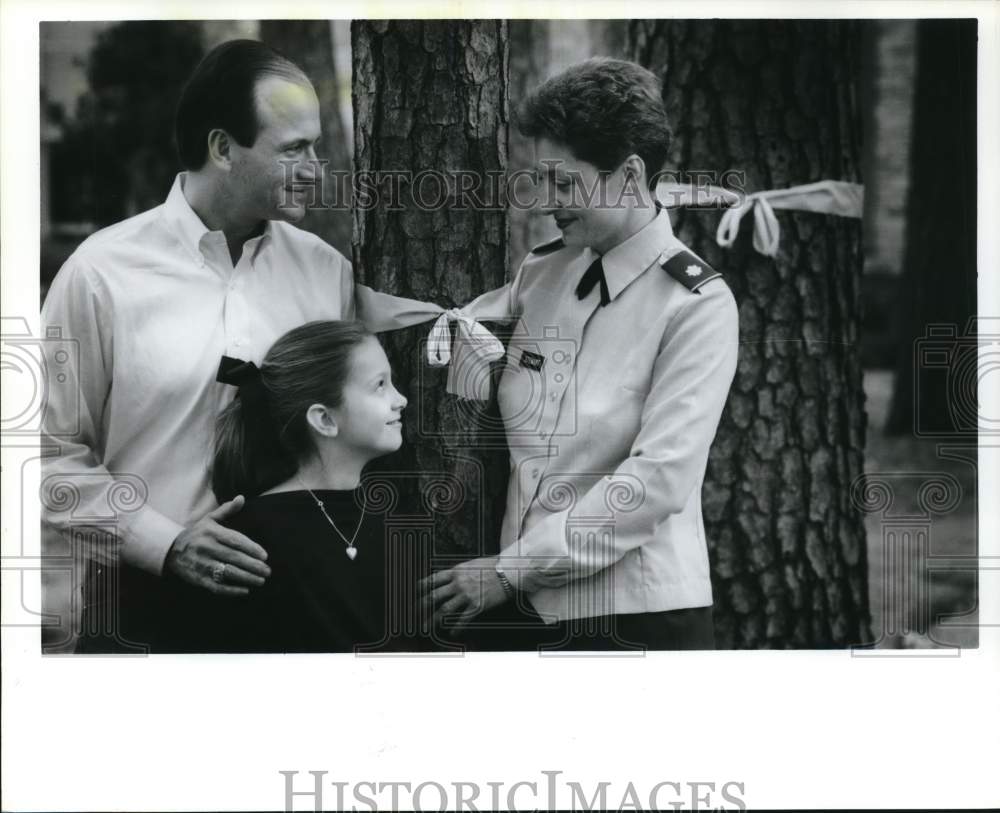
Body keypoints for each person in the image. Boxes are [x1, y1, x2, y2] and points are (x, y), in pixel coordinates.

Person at [40, 40, 441, 653]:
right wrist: (165, 542)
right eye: (293, 149)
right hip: (143, 611)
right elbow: (44, 458)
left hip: (301, 609)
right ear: (223, 148)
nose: (315, 168)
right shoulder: (100, 274)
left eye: (316, 146)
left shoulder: (324, 272)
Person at [418, 58, 739, 651]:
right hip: (518, 607)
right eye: (540, 180)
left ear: (629, 175)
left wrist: (510, 569)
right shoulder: (542, 275)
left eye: (564, 183)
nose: (544, 201)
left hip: (633, 615)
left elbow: (657, 481)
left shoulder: (696, 305)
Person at [151, 320, 421, 652]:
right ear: (324, 419)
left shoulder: (391, 520)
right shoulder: (245, 542)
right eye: (380, 385)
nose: (402, 399)